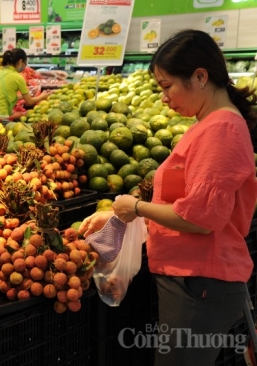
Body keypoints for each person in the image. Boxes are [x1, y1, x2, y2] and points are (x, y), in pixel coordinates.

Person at [79, 29, 257, 366]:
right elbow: (184, 204)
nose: (163, 98)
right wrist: (123, 218)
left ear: (200, 77)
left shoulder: (221, 130)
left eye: (167, 86)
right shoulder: (207, 124)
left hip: (201, 282)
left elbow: (200, 220)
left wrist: (133, 207)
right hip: (191, 279)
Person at [0, 48, 51, 118]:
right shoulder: (18, 77)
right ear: (20, 62)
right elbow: (30, 102)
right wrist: (42, 96)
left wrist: (23, 96)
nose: (25, 66)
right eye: (25, 63)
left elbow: (4, 96)